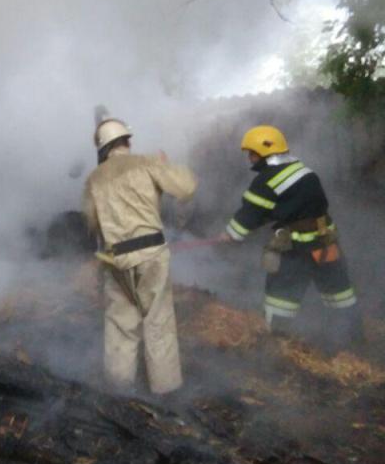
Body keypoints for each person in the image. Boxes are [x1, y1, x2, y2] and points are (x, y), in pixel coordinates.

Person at [218, 125, 363, 348]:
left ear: (264, 152)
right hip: (326, 242)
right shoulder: (303, 170)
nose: (249, 158)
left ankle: (276, 348)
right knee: (339, 292)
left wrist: (230, 235)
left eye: (252, 153)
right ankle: (354, 340)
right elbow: (293, 204)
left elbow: (251, 214)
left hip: (296, 249)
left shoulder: (266, 180)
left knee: (280, 298)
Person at [82, 118, 198, 395]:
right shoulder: (146, 163)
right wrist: (165, 166)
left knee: (120, 323)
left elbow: (91, 223)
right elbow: (186, 187)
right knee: (158, 320)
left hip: (115, 260)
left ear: (102, 149)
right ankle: (166, 389)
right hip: (151, 255)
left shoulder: (94, 178)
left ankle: (119, 389)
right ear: (127, 142)